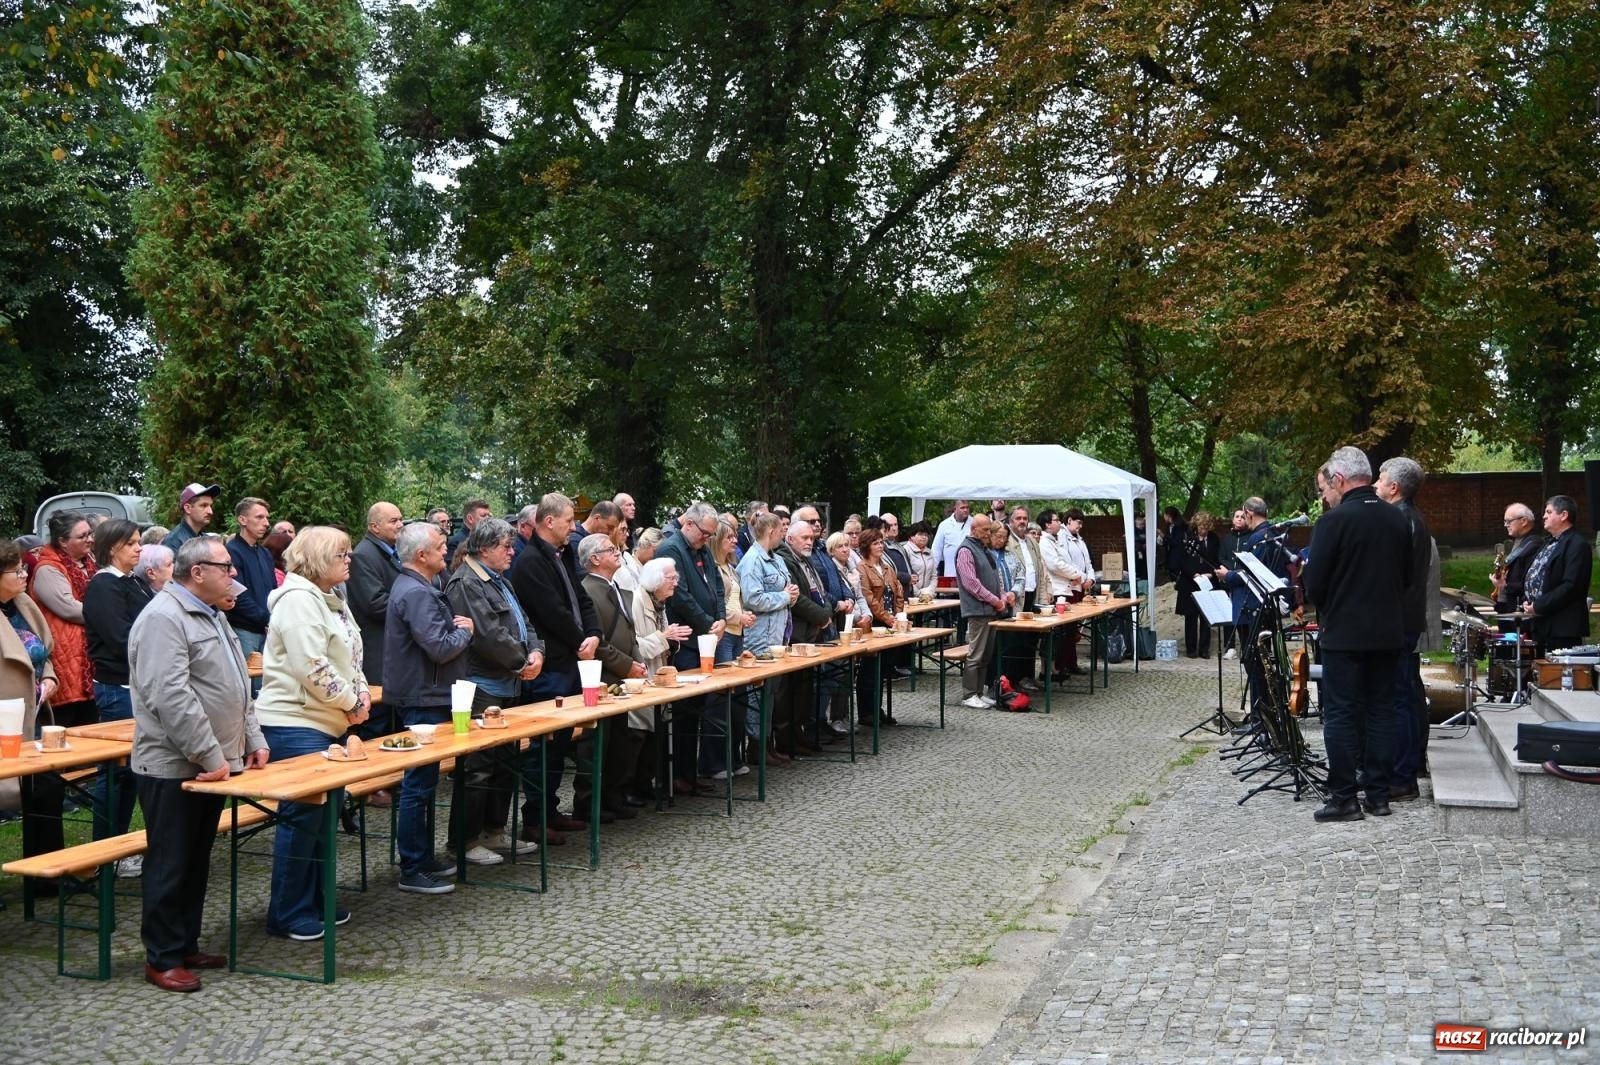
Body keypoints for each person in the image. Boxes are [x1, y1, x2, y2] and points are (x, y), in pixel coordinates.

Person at [128, 534, 268, 992]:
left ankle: (184, 943)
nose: (234, 574)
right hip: (173, 764)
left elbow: (237, 682)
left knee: (194, 860)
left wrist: (251, 737)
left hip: (213, 763)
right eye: (226, 567)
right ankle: (162, 956)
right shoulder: (164, 618)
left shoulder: (211, 612)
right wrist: (210, 754)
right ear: (197, 572)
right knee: (171, 861)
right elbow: (170, 696)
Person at [255, 526, 370, 940]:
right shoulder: (299, 601)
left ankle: (315, 899)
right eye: (342, 554)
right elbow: (312, 667)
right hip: (294, 722)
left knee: (324, 817)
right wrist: (351, 703)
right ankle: (287, 911)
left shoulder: (332, 599)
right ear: (319, 558)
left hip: (326, 720)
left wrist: (360, 692)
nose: (349, 561)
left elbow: (350, 655)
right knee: (302, 819)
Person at [1301, 446, 1413, 823]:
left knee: (1341, 715)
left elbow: (1313, 584)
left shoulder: (1333, 522)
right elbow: (1408, 577)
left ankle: (1344, 796)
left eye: (1326, 487)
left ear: (1339, 480)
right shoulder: (1397, 519)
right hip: (1387, 633)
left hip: (1345, 636)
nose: (1325, 495)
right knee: (1382, 712)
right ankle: (1379, 796)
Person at [446, 518, 547, 856]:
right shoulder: (466, 582)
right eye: (506, 546)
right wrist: (523, 662)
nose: (512, 552)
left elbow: (525, 622)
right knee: (478, 768)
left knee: (506, 764)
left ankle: (494, 831)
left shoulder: (500, 580)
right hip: (482, 686)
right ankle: (465, 840)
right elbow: (487, 636)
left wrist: (536, 651)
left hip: (509, 682)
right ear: (485, 548)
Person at [384, 521, 474, 893]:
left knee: (424, 783)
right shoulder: (417, 593)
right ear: (421, 555)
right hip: (424, 696)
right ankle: (411, 866)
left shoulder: (420, 586)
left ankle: (421, 857)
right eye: (440, 546)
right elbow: (439, 646)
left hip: (429, 692)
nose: (446, 551)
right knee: (417, 786)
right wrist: (466, 632)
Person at [510, 492, 601, 836]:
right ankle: (534, 817)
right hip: (550, 668)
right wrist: (581, 640)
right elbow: (552, 612)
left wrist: (593, 633)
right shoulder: (531, 562)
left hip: (573, 660)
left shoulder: (560, 557)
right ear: (549, 522)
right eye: (569, 521)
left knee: (561, 743)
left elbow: (582, 599)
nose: (573, 527)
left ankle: (549, 810)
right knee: (542, 747)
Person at [81, 519, 152, 862]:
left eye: (140, 542)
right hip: (118, 686)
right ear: (112, 548)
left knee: (132, 773)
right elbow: (121, 638)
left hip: (139, 685)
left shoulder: (133, 582)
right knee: (117, 775)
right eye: (132, 543)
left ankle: (121, 850)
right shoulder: (104, 586)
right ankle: (107, 852)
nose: (139, 548)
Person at [655, 503, 732, 783]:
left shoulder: (703, 549)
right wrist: (707, 623)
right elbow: (680, 596)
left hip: (707, 637)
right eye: (704, 533)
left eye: (711, 535)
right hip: (687, 641)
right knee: (686, 713)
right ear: (688, 524)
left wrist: (721, 618)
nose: (707, 538)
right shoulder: (671, 549)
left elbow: (718, 586)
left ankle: (689, 772)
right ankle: (679, 775)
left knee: (700, 708)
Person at [1375, 458, 1434, 803]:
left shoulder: (1399, 520)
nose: (1376, 485)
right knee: (1407, 694)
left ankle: (1401, 775)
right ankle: (1407, 769)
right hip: (1406, 619)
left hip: (1396, 621)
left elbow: (1390, 576)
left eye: (1381, 480)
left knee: (1398, 698)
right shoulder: (1414, 518)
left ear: (1394, 487)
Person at [577, 532, 647, 816]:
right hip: (602, 676)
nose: (617, 551)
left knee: (618, 741)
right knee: (596, 745)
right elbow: (598, 640)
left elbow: (629, 630)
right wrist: (626, 664)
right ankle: (589, 803)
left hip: (621, 674)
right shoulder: (588, 589)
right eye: (609, 549)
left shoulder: (614, 585)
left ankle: (612, 797)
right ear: (594, 559)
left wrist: (635, 662)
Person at [0, 540, 60, 855]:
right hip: (6, 719)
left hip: (35, 716)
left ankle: (48, 875)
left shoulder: (23, 603)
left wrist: (49, 677)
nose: (25, 575)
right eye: (17, 570)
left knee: (47, 789)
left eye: (24, 568)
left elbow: (42, 651)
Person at [29, 511, 97, 733]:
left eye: (90, 533)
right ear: (62, 541)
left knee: (89, 730)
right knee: (65, 728)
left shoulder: (89, 563)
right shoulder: (48, 569)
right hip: (64, 657)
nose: (90, 539)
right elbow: (70, 609)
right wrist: (106, 614)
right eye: (82, 536)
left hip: (85, 659)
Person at [773, 518, 834, 759]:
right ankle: (786, 739)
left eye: (812, 538)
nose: (810, 541)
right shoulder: (785, 559)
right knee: (788, 691)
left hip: (811, 631)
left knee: (803, 690)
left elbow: (820, 589)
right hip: (795, 632)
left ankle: (798, 734)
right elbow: (796, 598)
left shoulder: (806, 560)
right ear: (789, 538)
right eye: (805, 538)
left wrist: (827, 610)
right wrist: (822, 615)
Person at [709, 521, 757, 769]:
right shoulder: (714, 568)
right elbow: (719, 605)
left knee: (738, 698)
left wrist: (744, 614)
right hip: (724, 635)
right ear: (717, 539)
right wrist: (739, 617)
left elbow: (735, 600)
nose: (735, 541)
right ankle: (717, 762)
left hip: (737, 634)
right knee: (721, 701)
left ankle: (734, 757)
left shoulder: (731, 566)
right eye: (729, 537)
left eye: (736, 537)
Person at [1522, 495, 1593, 658]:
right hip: (1541, 624)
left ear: (1564, 515)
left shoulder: (1577, 544)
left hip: (1562, 628)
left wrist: (1538, 606)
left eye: (1549, 512)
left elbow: (1571, 586)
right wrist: (1529, 601)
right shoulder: (1550, 542)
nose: (1544, 516)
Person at [346, 501, 406, 693]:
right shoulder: (364, 555)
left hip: (393, 646)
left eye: (401, 519)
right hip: (378, 650)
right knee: (380, 716)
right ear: (374, 527)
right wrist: (414, 608)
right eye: (393, 521)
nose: (400, 525)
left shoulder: (393, 551)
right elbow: (375, 603)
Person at [955, 515, 1010, 709]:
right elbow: (971, 584)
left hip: (991, 609)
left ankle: (979, 692)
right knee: (976, 654)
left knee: (986, 654)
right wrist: (996, 600)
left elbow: (994, 578)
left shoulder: (984, 549)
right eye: (985, 530)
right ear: (974, 529)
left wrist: (1003, 596)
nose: (989, 533)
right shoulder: (965, 550)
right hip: (978, 610)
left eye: (989, 530)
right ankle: (969, 694)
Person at [855, 528, 906, 726]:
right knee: (869, 669)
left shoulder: (886, 568)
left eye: (881, 542)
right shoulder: (862, 568)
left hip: (891, 622)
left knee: (883, 668)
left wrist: (898, 615)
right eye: (876, 543)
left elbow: (898, 591)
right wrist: (887, 619)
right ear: (867, 546)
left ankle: (878, 708)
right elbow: (869, 598)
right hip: (875, 624)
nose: (880, 546)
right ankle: (866, 712)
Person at [225, 496, 275, 676]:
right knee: (249, 680)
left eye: (267, 518)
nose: (266, 523)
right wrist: (267, 618)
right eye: (259, 517)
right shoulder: (231, 552)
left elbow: (273, 591)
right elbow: (237, 594)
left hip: (267, 629)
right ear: (242, 520)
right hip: (244, 629)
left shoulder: (265, 553)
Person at [1037, 509, 1089, 680]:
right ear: (1047, 524)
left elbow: (1067, 562)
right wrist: (1076, 575)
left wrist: (1078, 575)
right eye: (1056, 520)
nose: (1059, 522)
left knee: (1065, 633)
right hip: (1057, 590)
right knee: (1056, 633)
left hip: (1066, 588)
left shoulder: (1056, 540)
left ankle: (1059, 667)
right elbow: (1056, 564)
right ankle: (1053, 669)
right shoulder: (1045, 541)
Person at [1003, 506, 1046, 691]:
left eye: (1024, 518)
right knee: (1015, 640)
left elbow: (1041, 570)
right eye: (1018, 518)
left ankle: (1028, 675)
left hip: (1032, 595)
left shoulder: (1032, 542)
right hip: (1016, 596)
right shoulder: (1007, 542)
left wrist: (1043, 597)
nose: (1022, 521)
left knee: (1031, 638)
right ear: (1011, 521)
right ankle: (1013, 678)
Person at [1175, 511, 1220, 659]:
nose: (1203, 530)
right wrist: (1193, 574)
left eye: (1206, 527)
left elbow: (1217, 560)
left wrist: (1211, 574)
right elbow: (1181, 561)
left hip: (1207, 581)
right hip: (1190, 582)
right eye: (1201, 527)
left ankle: (1204, 649)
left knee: (1206, 617)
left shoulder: (1214, 539)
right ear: (1196, 525)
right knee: (1191, 616)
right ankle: (1191, 649)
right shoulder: (1188, 538)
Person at [1492, 502, 1544, 620]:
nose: (1505, 525)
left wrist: (1505, 585)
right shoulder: (1521, 542)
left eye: (1509, 521)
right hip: (1509, 606)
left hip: (1520, 611)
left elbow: (1531, 583)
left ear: (1524, 521)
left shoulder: (1534, 546)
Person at [1219, 510, 1248, 655]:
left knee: (1242, 614)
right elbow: (1222, 557)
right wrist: (1230, 571)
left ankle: (1245, 646)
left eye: (1243, 517)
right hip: (1228, 580)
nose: (1239, 519)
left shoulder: (1249, 538)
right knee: (1228, 614)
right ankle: (1229, 646)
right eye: (1237, 516)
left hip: (1242, 582)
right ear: (1232, 519)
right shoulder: (1226, 539)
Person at [161, 483, 221, 553]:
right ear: (188, 508)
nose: (210, 512)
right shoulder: (173, 542)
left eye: (210, 506)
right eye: (204, 505)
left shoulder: (206, 539)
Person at [931, 500, 973, 577]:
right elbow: (936, 550)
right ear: (955, 509)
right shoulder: (944, 525)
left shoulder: (974, 523)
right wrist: (932, 572)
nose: (966, 510)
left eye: (967, 507)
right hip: (951, 573)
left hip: (971, 573)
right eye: (962, 508)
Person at [445, 499, 491, 565]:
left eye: (489, 516)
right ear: (470, 518)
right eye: (483, 516)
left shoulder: (488, 539)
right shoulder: (455, 543)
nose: (488, 519)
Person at [902, 521, 938, 596]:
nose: (924, 537)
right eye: (920, 534)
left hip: (928, 596)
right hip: (911, 596)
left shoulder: (929, 552)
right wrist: (919, 594)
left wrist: (930, 592)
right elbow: (906, 576)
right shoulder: (905, 550)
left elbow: (934, 576)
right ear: (911, 536)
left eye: (926, 535)